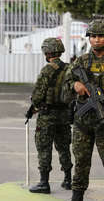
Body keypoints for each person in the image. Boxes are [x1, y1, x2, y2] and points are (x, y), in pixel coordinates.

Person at [63, 18, 104, 201]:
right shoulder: (81, 62)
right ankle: (77, 196)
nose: (97, 39)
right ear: (89, 38)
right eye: (93, 36)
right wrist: (75, 84)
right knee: (81, 162)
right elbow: (66, 82)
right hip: (82, 124)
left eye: (101, 36)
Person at [28, 37, 73, 194]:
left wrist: (34, 105)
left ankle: (44, 183)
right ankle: (68, 180)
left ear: (47, 52)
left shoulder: (47, 70)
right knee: (64, 147)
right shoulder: (69, 68)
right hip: (64, 115)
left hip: (47, 115)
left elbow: (37, 96)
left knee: (44, 148)